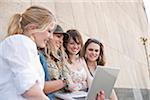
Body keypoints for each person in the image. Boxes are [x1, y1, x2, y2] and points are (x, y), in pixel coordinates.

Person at [0, 6, 56, 100]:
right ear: (32, 28)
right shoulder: (20, 42)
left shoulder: (24, 45)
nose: (51, 37)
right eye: (49, 31)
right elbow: (29, 89)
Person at [42, 25, 71, 98]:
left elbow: (69, 81)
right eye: (58, 36)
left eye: (62, 39)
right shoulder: (40, 56)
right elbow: (42, 87)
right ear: (49, 36)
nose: (61, 41)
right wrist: (65, 82)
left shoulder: (62, 58)